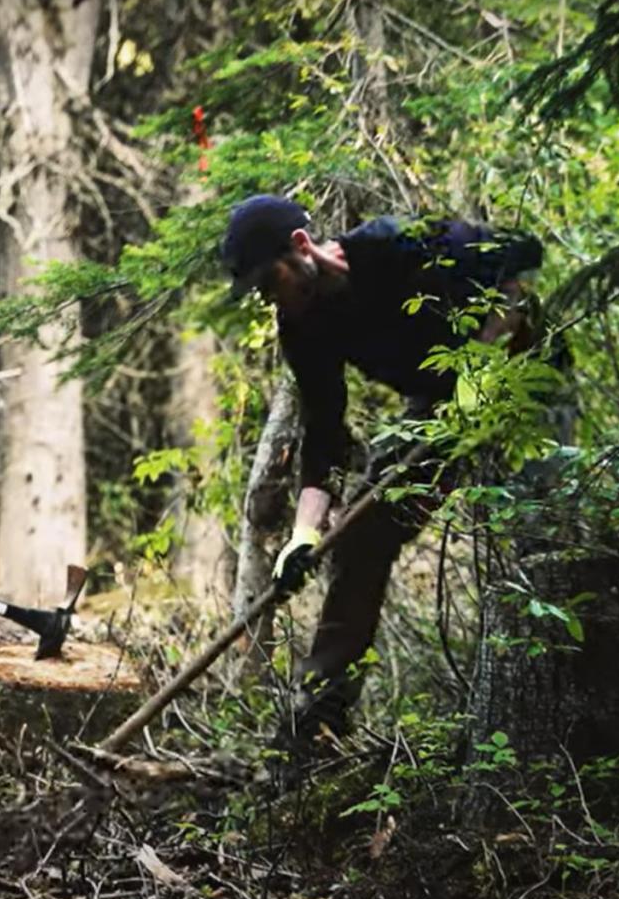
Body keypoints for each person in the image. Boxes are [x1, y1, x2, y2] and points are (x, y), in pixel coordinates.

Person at [220, 194, 557, 758]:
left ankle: (552, 703)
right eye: (259, 290)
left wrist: (478, 363)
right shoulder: (303, 326)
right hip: (434, 406)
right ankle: (317, 719)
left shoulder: (396, 243)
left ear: (301, 248)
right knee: (361, 534)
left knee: (542, 530)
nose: (269, 296)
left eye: (269, 279)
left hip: (519, 377)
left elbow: (521, 262)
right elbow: (326, 433)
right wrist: (304, 535)